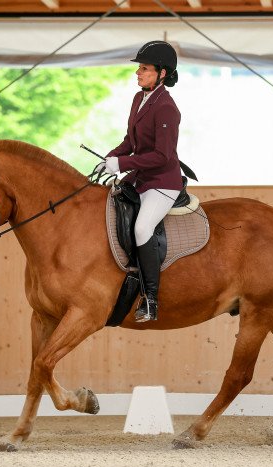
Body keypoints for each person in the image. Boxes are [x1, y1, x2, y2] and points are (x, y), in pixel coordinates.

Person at [99, 40, 183, 323]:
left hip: (162, 182)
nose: (138, 73)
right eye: (139, 69)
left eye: (144, 69)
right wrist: (110, 157)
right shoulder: (139, 99)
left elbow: (162, 156)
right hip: (141, 177)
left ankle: (150, 299)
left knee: (143, 227)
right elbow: (130, 141)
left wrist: (122, 164)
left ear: (161, 73)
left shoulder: (167, 108)